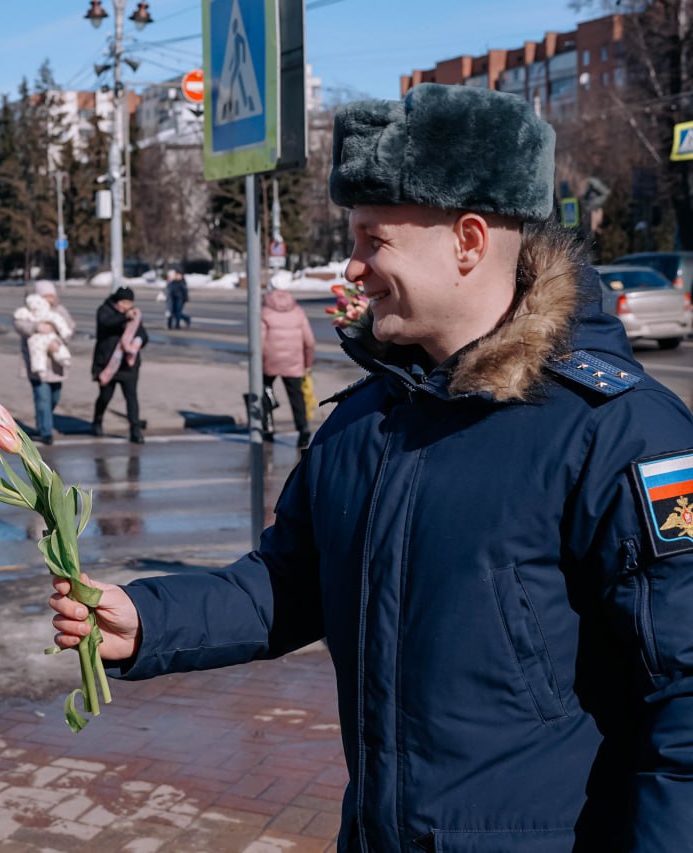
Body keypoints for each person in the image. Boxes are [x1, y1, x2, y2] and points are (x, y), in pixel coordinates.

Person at [50, 84, 693, 849]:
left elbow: (683, 705)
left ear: (468, 241)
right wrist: (149, 619)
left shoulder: (617, 430)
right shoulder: (366, 421)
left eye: (372, 240)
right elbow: (289, 583)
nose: (351, 268)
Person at [14, 281, 75, 445]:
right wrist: (36, 327)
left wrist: (56, 337)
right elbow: (19, 325)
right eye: (46, 296)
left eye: (51, 295)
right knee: (42, 397)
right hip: (36, 365)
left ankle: (42, 418)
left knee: (55, 396)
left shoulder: (59, 310)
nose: (50, 299)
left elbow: (69, 328)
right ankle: (46, 432)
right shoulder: (29, 311)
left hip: (55, 365)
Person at [91, 287, 148, 444]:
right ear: (117, 301)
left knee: (131, 397)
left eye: (129, 302)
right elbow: (106, 323)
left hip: (128, 364)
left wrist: (137, 342)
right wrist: (124, 317)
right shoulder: (105, 310)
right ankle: (97, 420)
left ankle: (135, 430)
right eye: (123, 302)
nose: (126, 305)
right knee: (105, 396)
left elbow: (143, 334)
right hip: (108, 364)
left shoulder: (134, 315)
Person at [260, 287, 315, 448]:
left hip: (270, 359)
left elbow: (260, 340)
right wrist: (307, 364)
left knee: (264, 390)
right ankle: (303, 429)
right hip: (294, 360)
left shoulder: (264, 312)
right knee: (296, 396)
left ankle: (268, 428)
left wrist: (258, 362)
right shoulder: (298, 311)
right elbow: (309, 341)